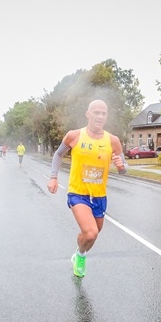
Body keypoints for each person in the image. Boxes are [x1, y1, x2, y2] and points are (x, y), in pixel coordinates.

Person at [47, 100, 127, 278]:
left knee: (93, 233)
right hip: (78, 193)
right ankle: (81, 256)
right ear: (88, 114)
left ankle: (78, 250)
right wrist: (53, 177)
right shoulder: (74, 136)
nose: (99, 116)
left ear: (107, 116)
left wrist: (121, 166)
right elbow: (58, 154)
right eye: (96, 112)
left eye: (103, 113)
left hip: (99, 196)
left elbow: (124, 169)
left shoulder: (113, 141)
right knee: (90, 233)